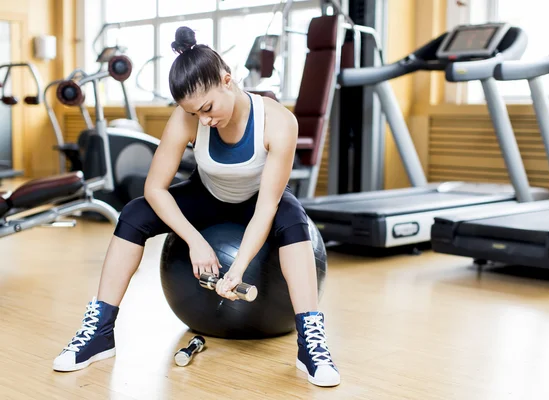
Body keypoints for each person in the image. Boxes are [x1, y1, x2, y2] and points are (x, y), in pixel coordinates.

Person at [51, 26, 340, 387]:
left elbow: (266, 207)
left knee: (293, 220)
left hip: (257, 201)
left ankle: (310, 343)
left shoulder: (279, 121)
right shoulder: (186, 117)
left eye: (207, 108)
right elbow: (155, 188)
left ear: (227, 80)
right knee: (135, 214)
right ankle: (99, 332)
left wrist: (237, 269)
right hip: (207, 196)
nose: (204, 120)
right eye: (194, 113)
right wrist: (194, 241)